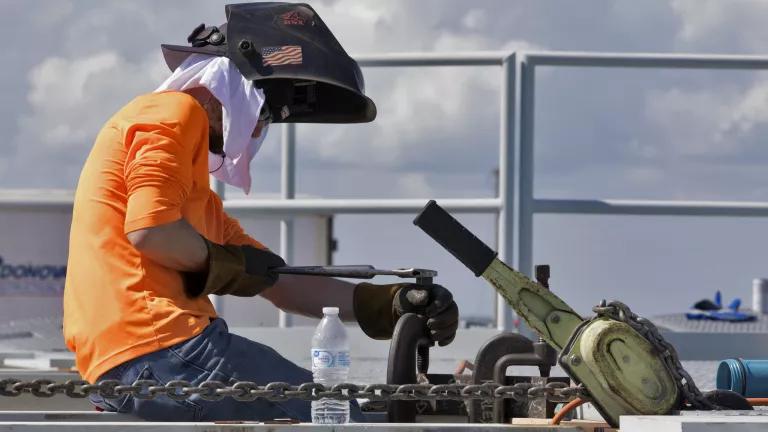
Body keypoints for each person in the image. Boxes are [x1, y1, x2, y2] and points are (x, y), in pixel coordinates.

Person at [63, 2, 459, 422]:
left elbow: (277, 280)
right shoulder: (173, 112)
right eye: (264, 111)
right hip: (162, 350)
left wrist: (390, 303)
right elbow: (152, 232)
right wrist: (230, 266)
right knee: (339, 416)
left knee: (337, 410)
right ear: (232, 87)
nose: (257, 130)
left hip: (135, 362)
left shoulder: (197, 199)